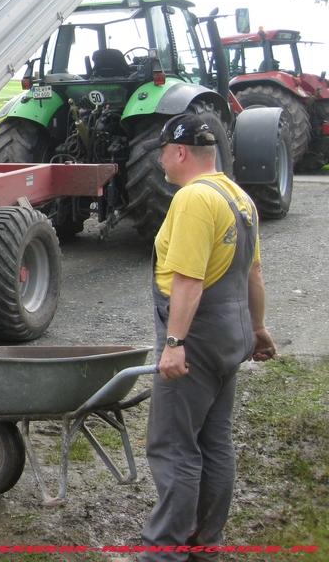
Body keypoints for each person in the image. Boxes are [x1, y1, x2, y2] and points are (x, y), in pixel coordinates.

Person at [140, 113, 277, 561]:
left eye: (162, 152)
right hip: (229, 332)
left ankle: (165, 552)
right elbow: (253, 274)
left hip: (195, 338)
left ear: (179, 152)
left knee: (174, 445)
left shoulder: (194, 199)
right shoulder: (238, 197)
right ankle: (205, 543)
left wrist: (174, 343)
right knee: (214, 441)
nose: (160, 160)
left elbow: (188, 281)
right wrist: (257, 329)